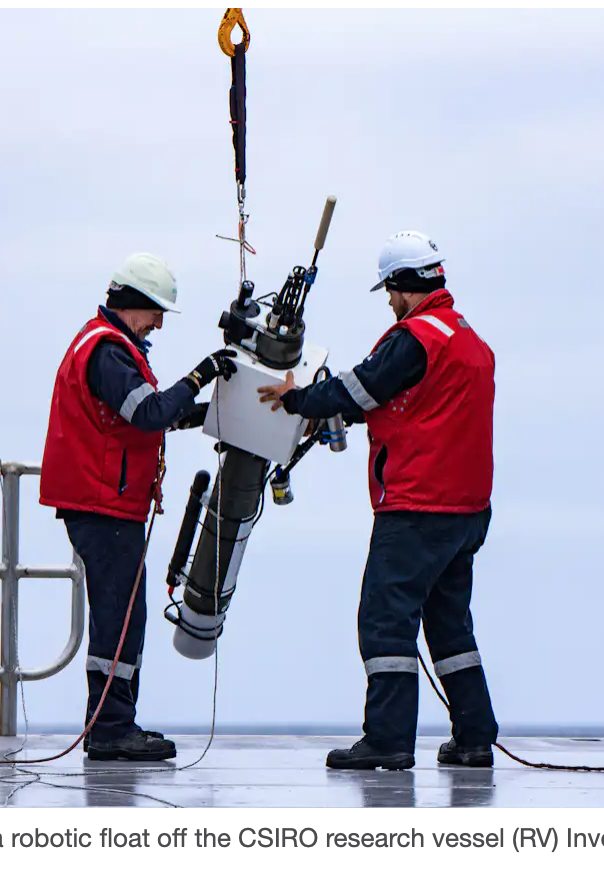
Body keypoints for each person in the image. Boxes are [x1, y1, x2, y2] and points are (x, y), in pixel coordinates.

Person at [258, 231, 499, 770]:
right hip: (467, 510)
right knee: (450, 625)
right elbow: (412, 404)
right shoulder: (468, 340)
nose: (389, 302)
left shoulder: (415, 337)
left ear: (403, 284)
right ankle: (475, 738)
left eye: (389, 291)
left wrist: (297, 398)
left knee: (385, 621)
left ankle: (388, 741)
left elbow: (359, 387)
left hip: (416, 507)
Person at [39, 252, 237, 762]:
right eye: (156, 311)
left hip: (106, 503)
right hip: (101, 505)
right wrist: (202, 374)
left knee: (125, 616)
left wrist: (208, 416)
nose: (160, 323)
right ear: (132, 304)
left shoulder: (110, 346)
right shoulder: (107, 352)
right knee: (119, 618)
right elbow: (149, 412)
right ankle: (109, 728)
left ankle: (114, 722)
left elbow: (146, 415)